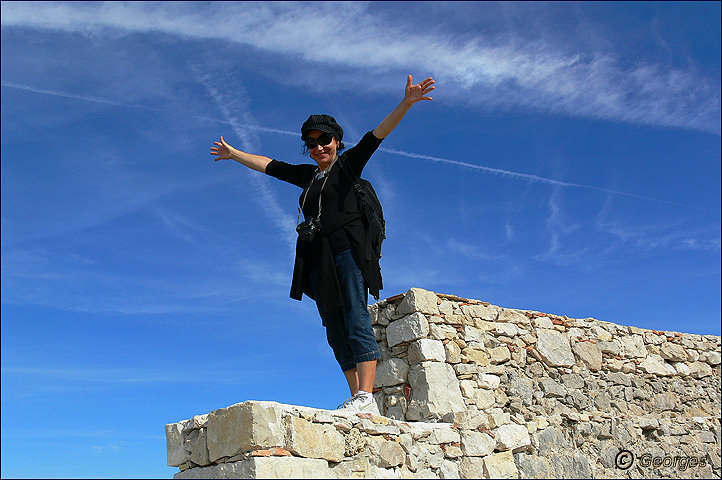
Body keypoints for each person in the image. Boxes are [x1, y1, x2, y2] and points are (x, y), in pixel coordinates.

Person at [210, 75, 435, 414]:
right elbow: (270, 166)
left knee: (355, 315)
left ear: (337, 140)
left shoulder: (347, 165)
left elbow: (377, 135)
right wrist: (233, 153)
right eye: (311, 143)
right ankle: (357, 396)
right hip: (318, 258)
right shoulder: (309, 176)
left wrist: (405, 103)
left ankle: (367, 397)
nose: (318, 147)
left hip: (347, 251)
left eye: (324, 139)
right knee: (333, 325)